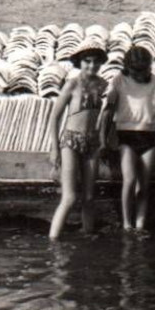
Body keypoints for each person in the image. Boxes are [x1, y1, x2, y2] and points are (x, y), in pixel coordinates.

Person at [102, 46, 155, 232]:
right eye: (136, 71)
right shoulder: (119, 81)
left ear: (150, 67)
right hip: (126, 136)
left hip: (148, 137)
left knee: (144, 185)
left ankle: (140, 224)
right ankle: (126, 223)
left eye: (144, 70)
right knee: (130, 180)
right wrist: (103, 140)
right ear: (128, 68)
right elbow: (107, 112)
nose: (140, 75)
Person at [48, 46, 108, 238]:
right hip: (71, 141)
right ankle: (53, 240)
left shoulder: (103, 85)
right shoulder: (72, 85)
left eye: (96, 61)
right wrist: (55, 148)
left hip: (92, 142)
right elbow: (54, 117)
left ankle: (88, 234)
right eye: (87, 61)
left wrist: (104, 142)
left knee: (89, 197)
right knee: (70, 197)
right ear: (80, 63)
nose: (92, 65)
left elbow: (109, 116)